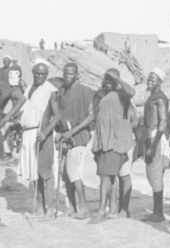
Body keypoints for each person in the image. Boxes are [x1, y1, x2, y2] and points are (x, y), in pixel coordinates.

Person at [40, 63, 94, 219]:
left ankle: (83, 209)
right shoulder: (61, 91)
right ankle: (72, 207)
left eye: (70, 74)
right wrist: (59, 131)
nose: (67, 76)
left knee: (74, 173)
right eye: (65, 73)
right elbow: (59, 115)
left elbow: (91, 116)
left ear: (77, 74)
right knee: (65, 175)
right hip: (65, 137)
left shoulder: (86, 91)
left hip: (79, 137)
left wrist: (73, 131)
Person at [11, 60, 58, 215]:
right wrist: (5, 120)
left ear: (47, 75)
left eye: (43, 74)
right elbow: (19, 105)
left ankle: (49, 207)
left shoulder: (51, 90)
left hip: (41, 133)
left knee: (45, 171)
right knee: (34, 172)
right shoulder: (30, 88)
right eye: (37, 73)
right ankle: (39, 206)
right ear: (32, 73)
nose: (39, 76)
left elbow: (57, 116)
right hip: (28, 133)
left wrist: (45, 132)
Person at [91, 68, 135, 223]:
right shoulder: (102, 96)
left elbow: (131, 92)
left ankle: (102, 210)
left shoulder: (122, 95)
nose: (107, 82)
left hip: (116, 142)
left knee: (107, 177)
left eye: (111, 80)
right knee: (113, 176)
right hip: (106, 142)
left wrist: (117, 79)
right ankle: (115, 209)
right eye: (106, 79)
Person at [143, 67, 170, 222]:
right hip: (151, 136)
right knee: (154, 175)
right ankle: (157, 211)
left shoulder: (159, 98)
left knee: (156, 175)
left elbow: (163, 121)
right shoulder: (152, 97)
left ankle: (158, 213)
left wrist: (153, 145)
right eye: (149, 78)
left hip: (157, 138)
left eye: (153, 79)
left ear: (159, 82)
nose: (150, 81)